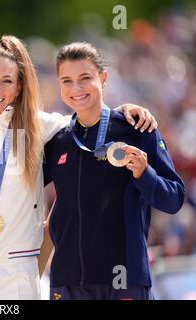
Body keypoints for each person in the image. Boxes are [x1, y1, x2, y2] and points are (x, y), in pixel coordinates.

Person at [0, 35, 157, 300]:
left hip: (17, 270)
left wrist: (122, 111)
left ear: (20, 86)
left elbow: (88, 118)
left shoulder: (42, 127)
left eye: (7, 81)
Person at [43, 42, 185, 300]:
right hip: (67, 282)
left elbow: (174, 198)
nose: (76, 89)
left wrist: (145, 174)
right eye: (67, 80)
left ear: (103, 78)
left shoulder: (137, 128)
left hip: (124, 281)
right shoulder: (57, 140)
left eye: (85, 78)